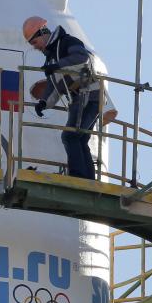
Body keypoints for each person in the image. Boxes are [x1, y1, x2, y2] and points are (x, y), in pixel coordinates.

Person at [23, 15, 104, 180]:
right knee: (80, 138)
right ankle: (89, 179)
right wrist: (44, 103)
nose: (35, 47)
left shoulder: (68, 42)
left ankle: (78, 175)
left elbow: (81, 58)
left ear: (43, 33)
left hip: (89, 96)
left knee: (70, 136)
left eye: (34, 42)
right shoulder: (51, 57)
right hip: (83, 99)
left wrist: (57, 66)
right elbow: (55, 85)